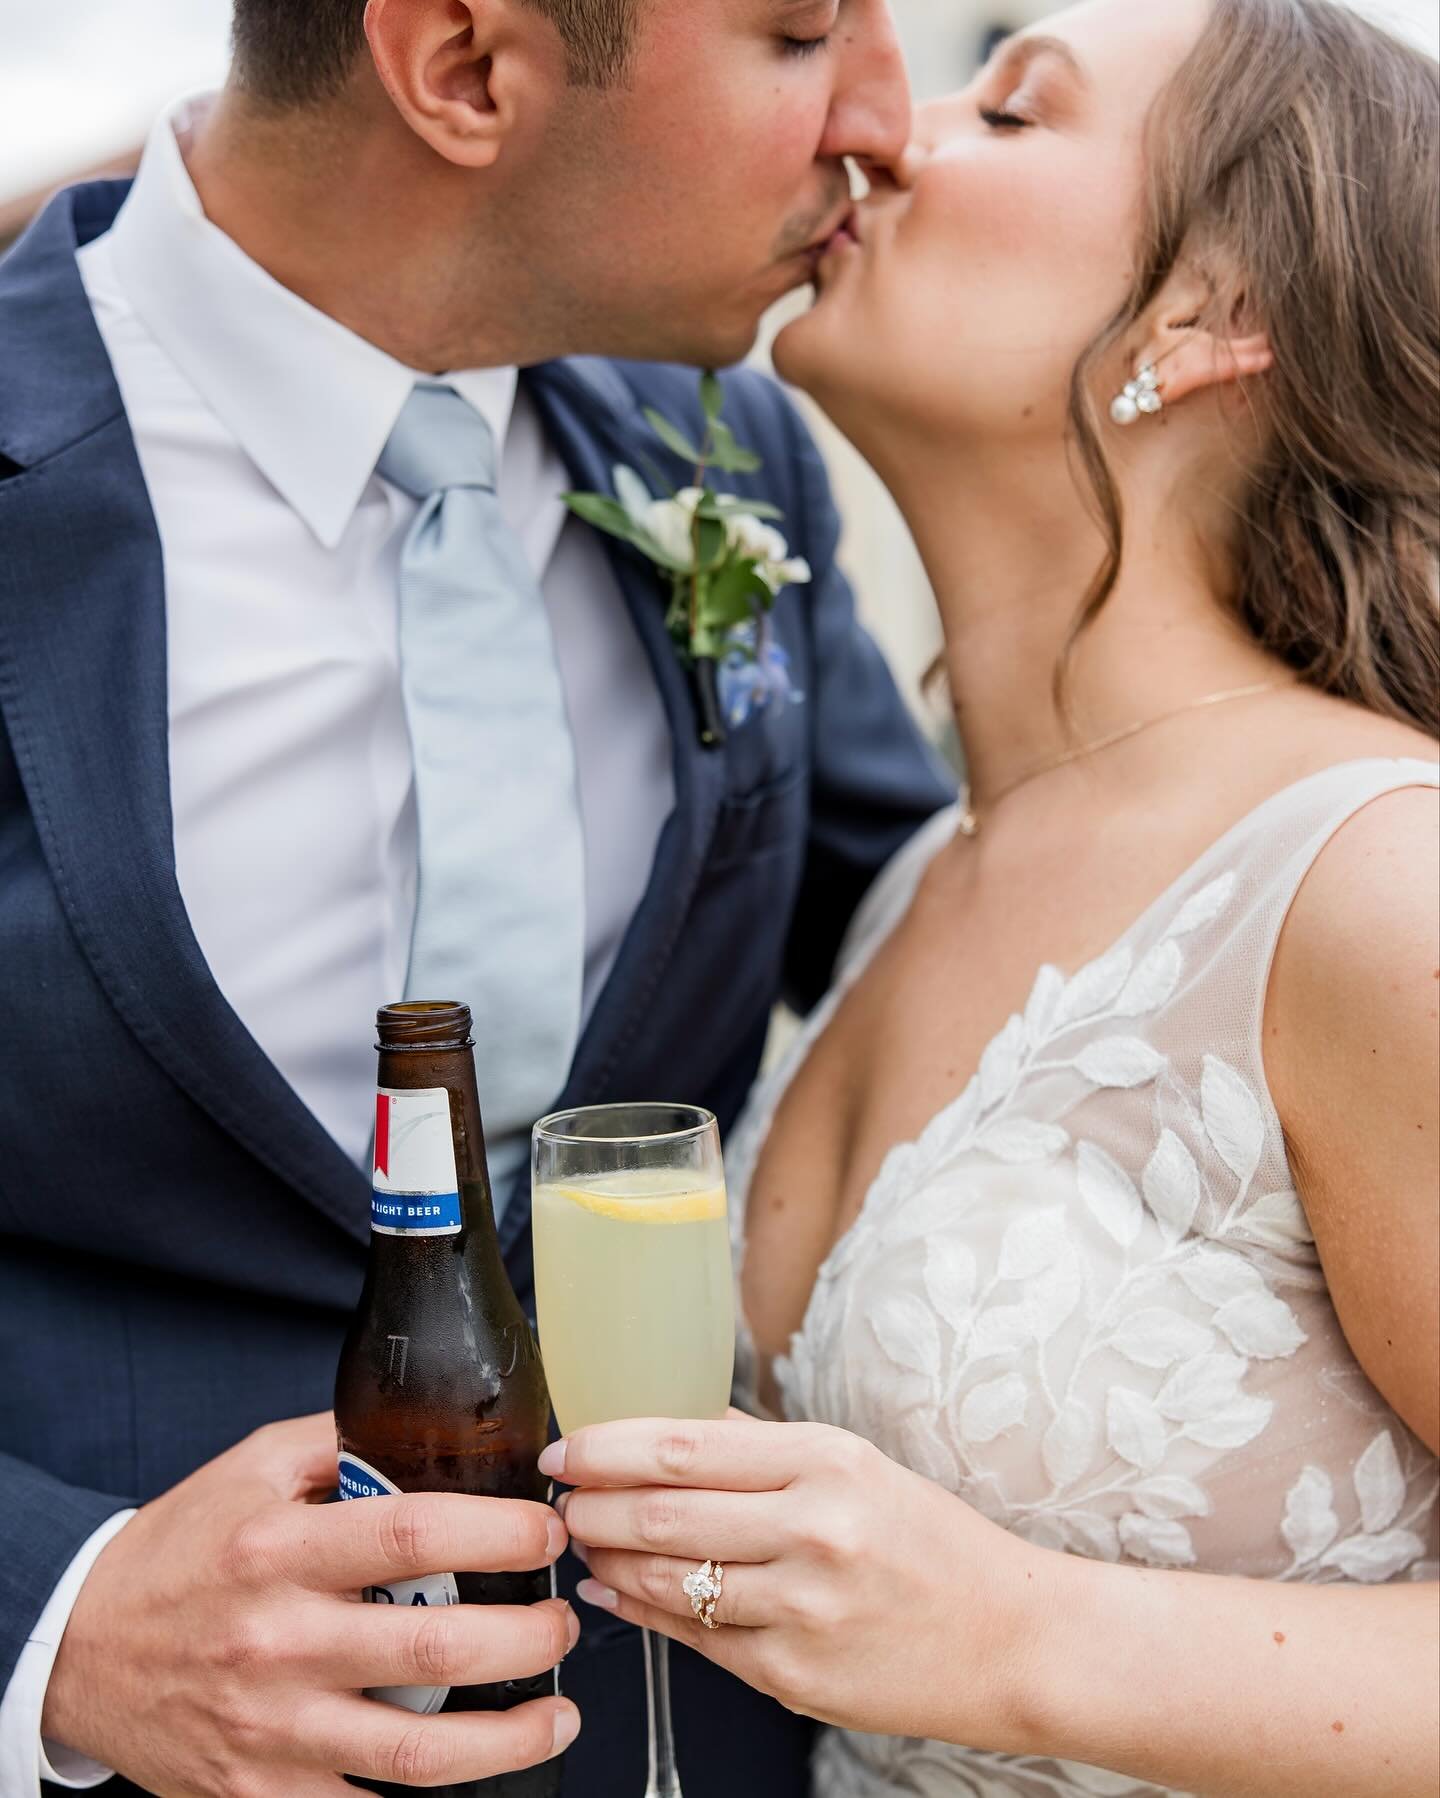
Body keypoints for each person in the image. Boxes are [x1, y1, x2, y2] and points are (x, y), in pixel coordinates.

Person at [0, 1, 956, 1793]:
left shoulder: (729, 451)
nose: (888, 119)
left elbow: (964, 944)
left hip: (685, 1728)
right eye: (803, 31)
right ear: (464, 66)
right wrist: (57, 1612)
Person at [539, 1, 1440, 1793]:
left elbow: (969, 1615)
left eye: (1010, 111)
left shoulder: (1379, 886)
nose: (879, 127)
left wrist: (1005, 1628)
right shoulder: (912, 890)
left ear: (1206, 315)